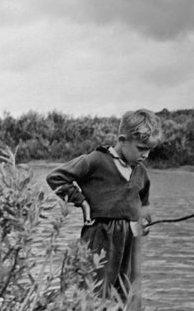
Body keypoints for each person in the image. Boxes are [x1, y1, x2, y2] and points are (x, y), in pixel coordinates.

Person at [46, 108, 161, 300]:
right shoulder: (96, 161)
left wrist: (144, 220)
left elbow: (143, 202)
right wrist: (81, 202)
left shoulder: (141, 172)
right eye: (141, 148)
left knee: (126, 296)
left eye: (149, 149)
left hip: (129, 242)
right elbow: (56, 177)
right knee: (93, 293)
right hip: (100, 239)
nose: (146, 155)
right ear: (122, 140)